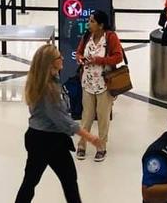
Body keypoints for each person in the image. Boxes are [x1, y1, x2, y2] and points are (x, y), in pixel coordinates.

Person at [14, 44, 102, 203]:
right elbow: (62, 120)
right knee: (60, 181)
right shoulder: (48, 89)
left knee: (36, 181)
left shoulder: (44, 81)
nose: (62, 58)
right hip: (47, 141)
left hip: (41, 137)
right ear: (50, 63)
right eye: (58, 57)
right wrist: (89, 137)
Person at [74, 10, 123, 162]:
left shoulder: (110, 37)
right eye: (89, 21)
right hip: (87, 82)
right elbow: (79, 52)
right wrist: (81, 59)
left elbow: (118, 57)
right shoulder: (87, 36)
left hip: (104, 83)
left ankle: (101, 146)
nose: (88, 24)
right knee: (86, 116)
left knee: (103, 116)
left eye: (92, 21)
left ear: (101, 25)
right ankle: (82, 144)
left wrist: (99, 60)